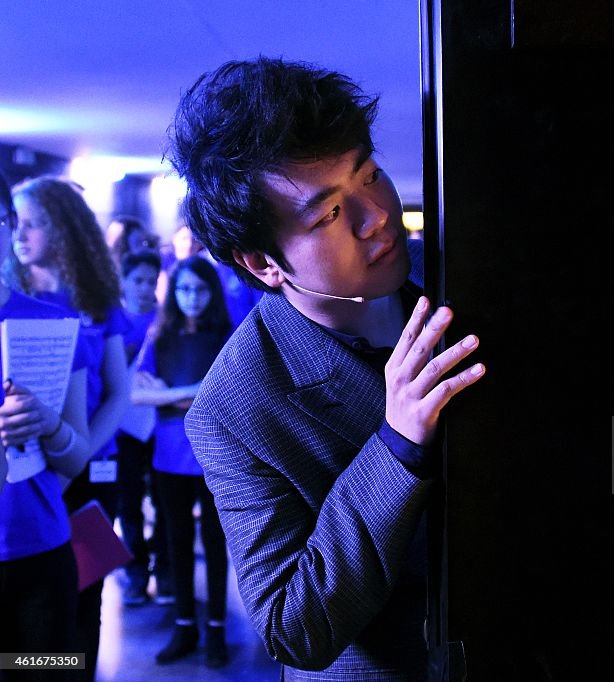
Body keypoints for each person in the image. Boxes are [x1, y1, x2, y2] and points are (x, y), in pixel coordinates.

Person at [167, 57, 486, 680]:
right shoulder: (236, 408)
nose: (379, 218)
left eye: (370, 175)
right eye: (330, 216)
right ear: (263, 264)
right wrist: (396, 446)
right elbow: (294, 629)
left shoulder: (466, 269)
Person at [9, 176, 132, 682]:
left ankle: (78, 673)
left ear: (64, 229)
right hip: (23, 478)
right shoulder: (11, 297)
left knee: (84, 595)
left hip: (85, 470)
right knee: (24, 647)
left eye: (33, 223)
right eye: (15, 223)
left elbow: (118, 393)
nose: (21, 235)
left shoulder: (97, 302)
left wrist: (71, 458)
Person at [0, 172, 92, 681]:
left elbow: (76, 458)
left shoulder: (51, 326)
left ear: (9, 227)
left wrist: (49, 424)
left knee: (46, 670)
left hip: (39, 554)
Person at [131, 256, 231, 667]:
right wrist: (191, 392)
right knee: (176, 544)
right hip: (168, 455)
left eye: (200, 289)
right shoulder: (161, 336)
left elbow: (224, 395)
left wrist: (169, 394)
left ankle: (216, 629)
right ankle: (185, 625)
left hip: (213, 455)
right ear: (173, 292)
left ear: (213, 292)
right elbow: (136, 393)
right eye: (184, 289)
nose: (192, 297)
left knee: (215, 542)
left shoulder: (227, 335)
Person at [115, 250, 173, 606]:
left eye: (151, 282)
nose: (144, 288)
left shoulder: (165, 320)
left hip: (158, 423)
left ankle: (164, 570)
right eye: (137, 280)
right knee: (128, 504)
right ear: (123, 281)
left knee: (165, 501)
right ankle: (136, 573)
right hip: (121, 430)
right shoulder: (111, 319)